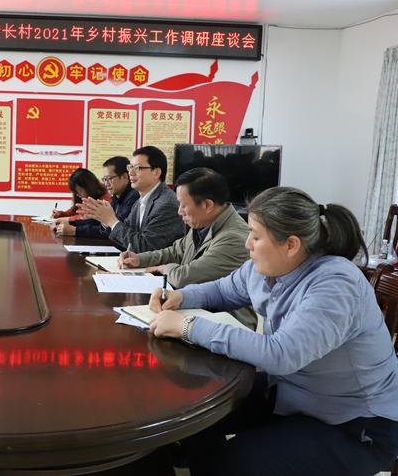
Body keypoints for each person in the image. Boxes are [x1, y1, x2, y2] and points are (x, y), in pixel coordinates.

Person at [147, 187, 398, 476]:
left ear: (291, 244)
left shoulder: (335, 283)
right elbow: (224, 289)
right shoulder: (269, 265)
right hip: (293, 392)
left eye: (255, 236)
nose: (247, 244)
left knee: (238, 462)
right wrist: (181, 296)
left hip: (355, 423)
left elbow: (281, 354)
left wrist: (188, 327)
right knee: (194, 409)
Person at [120, 167, 257, 330]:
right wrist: (140, 259)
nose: (179, 211)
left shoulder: (233, 238)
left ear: (207, 205)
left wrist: (164, 268)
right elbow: (175, 251)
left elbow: (185, 277)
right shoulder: (203, 223)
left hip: (226, 325)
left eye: (183, 205)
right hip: (196, 313)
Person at [80, 146, 185, 253]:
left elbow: (144, 247)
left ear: (156, 173)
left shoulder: (167, 204)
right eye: (130, 167)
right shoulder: (142, 200)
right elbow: (127, 234)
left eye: (137, 168)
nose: (130, 173)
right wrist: (104, 218)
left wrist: (111, 220)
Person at [49, 168, 111, 238]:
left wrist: (67, 220)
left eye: (79, 191)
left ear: (89, 187)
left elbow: (86, 218)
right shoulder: (86, 196)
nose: (78, 195)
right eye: (76, 192)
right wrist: (61, 214)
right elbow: (75, 211)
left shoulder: (104, 200)